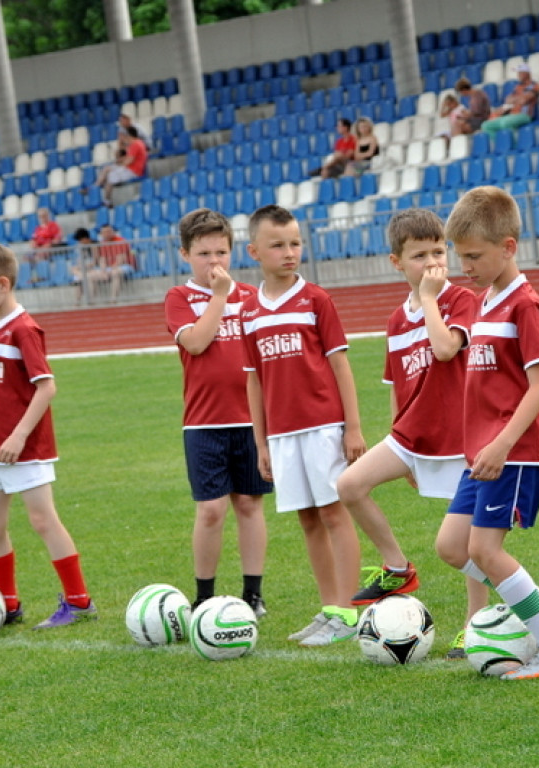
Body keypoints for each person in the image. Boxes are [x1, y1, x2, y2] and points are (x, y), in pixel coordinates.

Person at [434, 186, 539, 680]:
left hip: (515, 449)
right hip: (482, 451)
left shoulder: (525, 306)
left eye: (474, 256)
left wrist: (501, 443)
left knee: (485, 550)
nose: (465, 266)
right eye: (461, 256)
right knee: (453, 547)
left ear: (509, 246)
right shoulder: (482, 302)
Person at [336, 209, 489, 659]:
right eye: (419, 255)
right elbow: (396, 386)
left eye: (439, 252)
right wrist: (399, 438)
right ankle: (398, 566)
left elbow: (445, 349)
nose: (432, 263)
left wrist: (429, 300)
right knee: (350, 484)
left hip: (460, 438)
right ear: (396, 262)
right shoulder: (394, 321)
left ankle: (473, 626)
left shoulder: (460, 300)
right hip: (413, 436)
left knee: (464, 541)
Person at [0, 240, 96, 630]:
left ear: (3, 283)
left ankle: (79, 601)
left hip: (22, 448)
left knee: (42, 519)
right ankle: (8, 604)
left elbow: (46, 387)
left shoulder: (24, 329)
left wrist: (17, 437)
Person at [241, 205, 365, 646]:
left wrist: (352, 427)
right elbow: (253, 381)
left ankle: (348, 611)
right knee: (308, 520)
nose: (289, 252)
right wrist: (261, 442)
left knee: (334, 512)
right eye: (277, 245)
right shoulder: (248, 311)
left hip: (323, 426)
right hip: (281, 434)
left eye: (295, 243)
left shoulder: (316, 300)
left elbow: (340, 366)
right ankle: (329, 607)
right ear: (255, 251)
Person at [164, 208, 272, 615]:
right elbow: (195, 342)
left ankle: (253, 593)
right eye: (204, 253)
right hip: (204, 421)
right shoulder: (180, 297)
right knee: (211, 509)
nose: (214, 262)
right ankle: (205, 596)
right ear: (185, 255)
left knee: (249, 504)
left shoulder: (252, 297)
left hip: (251, 420)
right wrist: (220, 297)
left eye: (221, 252)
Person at [479, 63, 539, 140]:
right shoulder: (518, 87)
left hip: (525, 115)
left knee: (505, 123)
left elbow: (523, 100)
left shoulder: (534, 85)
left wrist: (515, 100)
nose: (518, 75)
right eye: (518, 73)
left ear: (527, 73)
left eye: (520, 73)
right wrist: (517, 99)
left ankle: (513, 147)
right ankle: (502, 144)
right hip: (512, 114)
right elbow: (508, 100)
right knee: (486, 125)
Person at [94, 126, 148, 207]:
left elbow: (129, 161)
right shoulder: (139, 143)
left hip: (133, 171)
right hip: (132, 169)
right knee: (108, 169)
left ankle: (106, 201)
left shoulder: (135, 144)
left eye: (127, 136)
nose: (126, 138)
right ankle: (100, 191)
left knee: (110, 175)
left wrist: (119, 165)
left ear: (130, 136)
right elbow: (129, 158)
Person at [84, 224, 136, 303]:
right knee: (90, 276)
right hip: (110, 267)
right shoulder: (103, 243)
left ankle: (113, 299)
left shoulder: (120, 241)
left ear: (113, 232)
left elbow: (121, 259)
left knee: (115, 273)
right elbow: (102, 259)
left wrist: (109, 271)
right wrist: (103, 270)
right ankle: (91, 301)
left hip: (125, 266)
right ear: (101, 234)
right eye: (104, 232)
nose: (106, 234)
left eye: (108, 231)